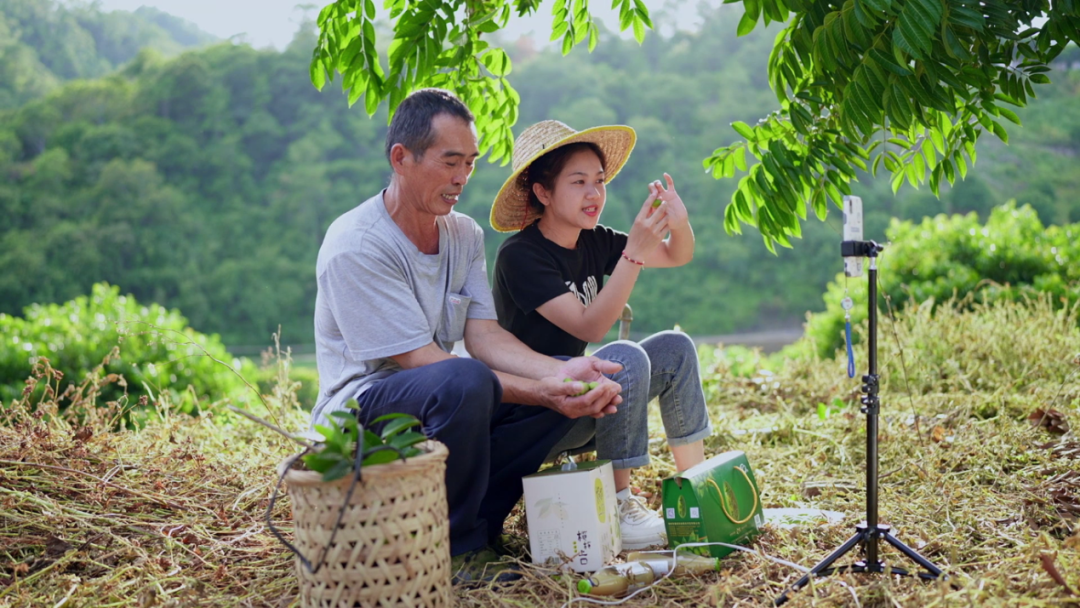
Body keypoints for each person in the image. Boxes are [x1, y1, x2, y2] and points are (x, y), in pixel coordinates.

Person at [311, 91, 625, 582]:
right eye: (450, 162)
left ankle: (483, 523)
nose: (461, 178)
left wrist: (561, 374)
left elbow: (484, 335)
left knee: (553, 390)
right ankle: (456, 549)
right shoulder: (358, 245)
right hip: (364, 411)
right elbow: (421, 361)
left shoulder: (463, 235)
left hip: (443, 392)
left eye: (471, 164)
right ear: (401, 158)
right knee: (471, 382)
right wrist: (541, 387)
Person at [489, 120, 712, 550]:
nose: (594, 194)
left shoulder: (594, 241)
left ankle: (696, 490)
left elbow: (676, 253)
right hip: (535, 416)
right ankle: (621, 505)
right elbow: (590, 326)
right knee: (624, 358)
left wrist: (677, 221)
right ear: (542, 192)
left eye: (599, 181)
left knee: (676, 348)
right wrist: (633, 254)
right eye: (578, 182)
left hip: (585, 399)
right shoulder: (520, 255)